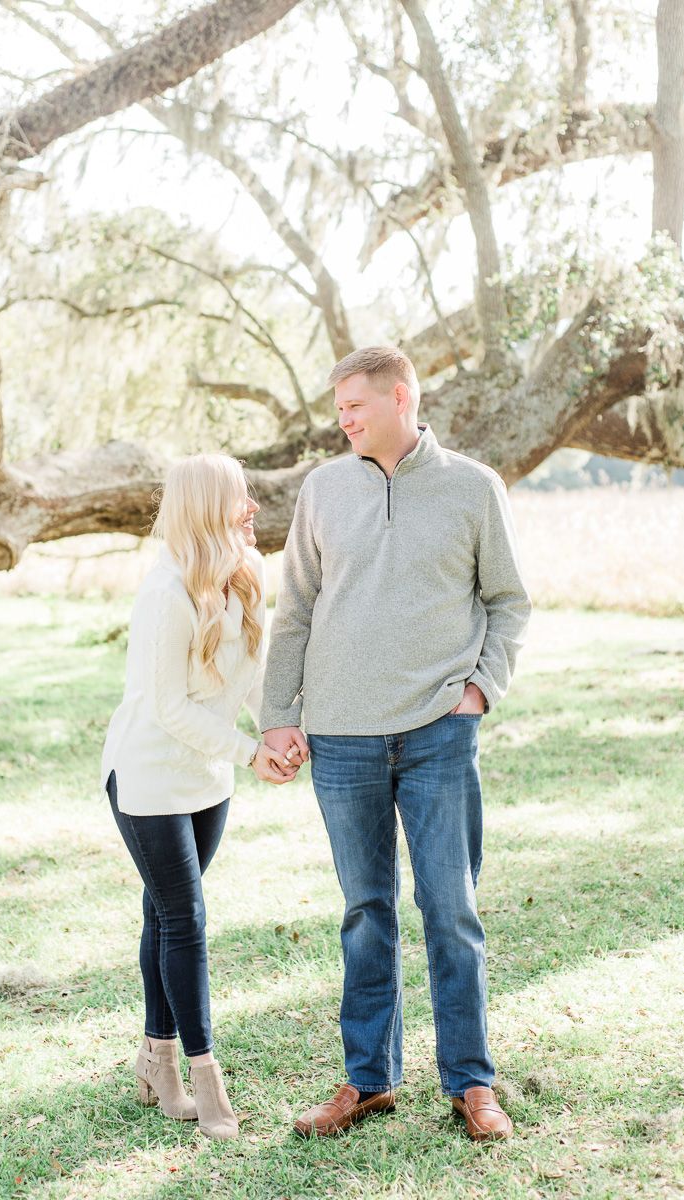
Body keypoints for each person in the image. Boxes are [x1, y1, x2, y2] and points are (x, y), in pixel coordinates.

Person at [260, 346, 532, 1142]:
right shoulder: (323, 488)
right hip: (340, 735)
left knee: (451, 910)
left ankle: (470, 1083)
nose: (343, 419)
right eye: (339, 408)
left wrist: (477, 691)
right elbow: (295, 607)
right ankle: (368, 1080)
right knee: (363, 912)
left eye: (355, 405)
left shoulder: (471, 487)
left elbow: (508, 601)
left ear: (401, 398)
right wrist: (277, 713)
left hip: (437, 731)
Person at [101, 453, 296, 1141]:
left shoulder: (248, 573)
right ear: (209, 507)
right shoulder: (165, 594)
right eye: (241, 497)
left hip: (207, 781)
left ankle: (154, 1061)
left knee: (164, 913)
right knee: (184, 919)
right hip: (149, 776)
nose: (252, 507)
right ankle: (205, 1079)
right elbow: (169, 709)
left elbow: (253, 674)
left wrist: (275, 732)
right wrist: (247, 751)